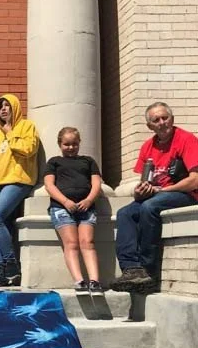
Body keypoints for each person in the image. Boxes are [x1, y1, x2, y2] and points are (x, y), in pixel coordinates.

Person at [111, 101, 198, 293]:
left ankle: (147, 269)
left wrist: (162, 191)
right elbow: (145, 182)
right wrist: (139, 191)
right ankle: (131, 269)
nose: (161, 122)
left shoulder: (186, 139)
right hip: (157, 196)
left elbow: (195, 181)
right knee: (125, 213)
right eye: (156, 120)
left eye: (164, 118)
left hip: (185, 194)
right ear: (150, 126)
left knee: (149, 207)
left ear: (172, 119)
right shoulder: (147, 147)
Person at [0, 94, 39, 287]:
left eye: (7, 106)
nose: (4, 109)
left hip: (19, 180)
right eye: (1, 107)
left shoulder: (26, 126)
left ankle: (10, 265)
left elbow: (29, 149)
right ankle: (6, 275)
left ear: (15, 107)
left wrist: (9, 132)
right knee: (2, 224)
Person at [43, 127, 103, 294]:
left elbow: (96, 183)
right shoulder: (54, 162)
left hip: (86, 207)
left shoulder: (88, 161)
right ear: (59, 144)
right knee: (71, 243)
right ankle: (79, 281)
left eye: (74, 144)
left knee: (87, 242)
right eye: (66, 144)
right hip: (62, 207)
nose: (71, 147)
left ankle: (95, 281)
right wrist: (65, 201)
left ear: (79, 144)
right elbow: (49, 185)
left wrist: (89, 200)